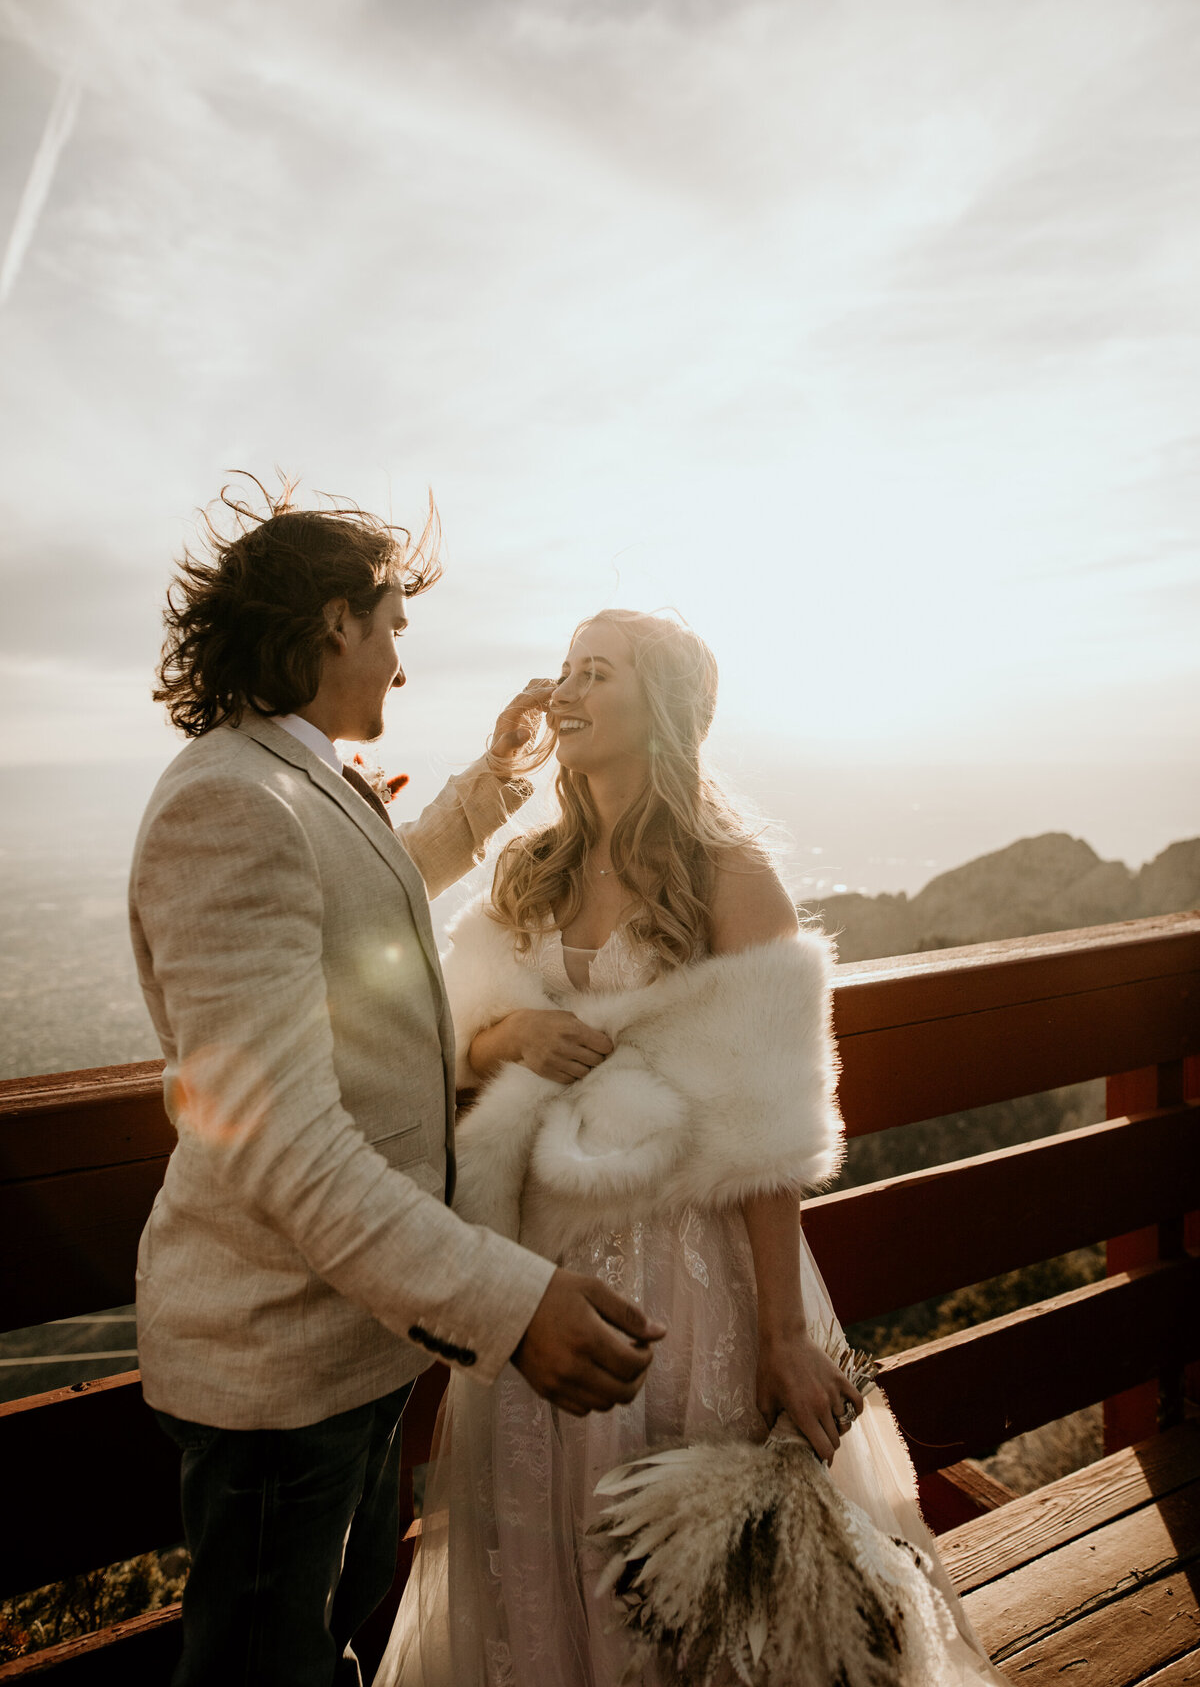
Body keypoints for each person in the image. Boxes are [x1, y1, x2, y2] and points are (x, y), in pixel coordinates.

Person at [381, 608, 1007, 1686]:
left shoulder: (731, 878)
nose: (565, 689)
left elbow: (765, 1131)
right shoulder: (530, 870)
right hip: (540, 1271)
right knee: (536, 1550)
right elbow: (455, 1036)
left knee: (701, 1590)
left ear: (663, 711)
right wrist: (509, 1034)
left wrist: (779, 1333)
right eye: (565, 666)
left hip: (691, 1273)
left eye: (598, 673)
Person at [130, 486, 665, 1687]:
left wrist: (492, 779)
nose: (400, 666)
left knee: (339, 1644)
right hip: (277, 1373)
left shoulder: (287, 778)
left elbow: (364, 903)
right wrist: (512, 1303)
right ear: (334, 624)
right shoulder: (230, 800)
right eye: (391, 629)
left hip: (358, 1338)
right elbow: (285, 1145)